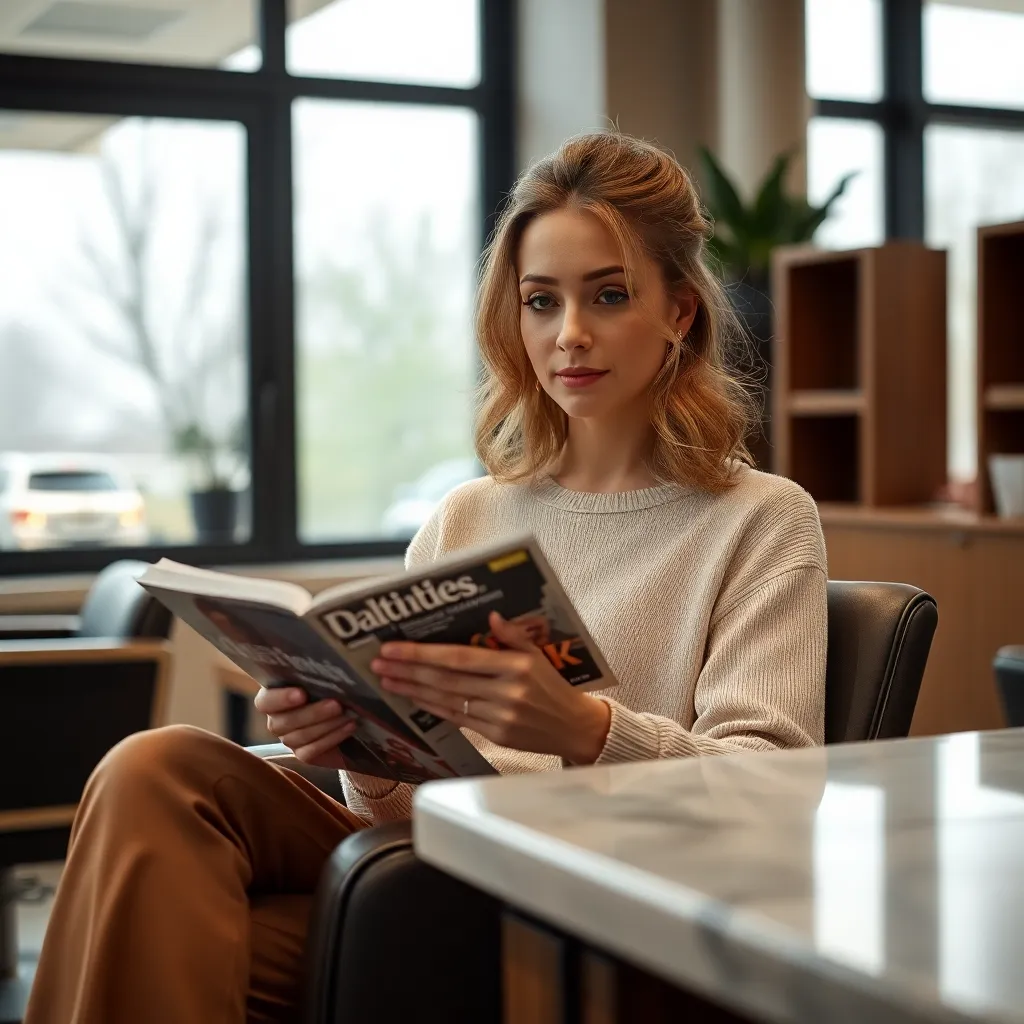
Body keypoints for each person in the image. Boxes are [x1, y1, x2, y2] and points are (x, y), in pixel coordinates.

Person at [24, 131, 826, 1024]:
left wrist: (586, 729)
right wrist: (351, 746)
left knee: (151, 931)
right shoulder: (468, 514)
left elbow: (773, 792)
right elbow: (396, 812)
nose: (570, 335)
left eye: (608, 294)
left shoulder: (759, 517)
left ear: (679, 311)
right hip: (428, 862)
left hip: (584, 892)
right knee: (156, 766)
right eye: (540, 301)